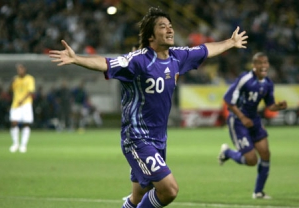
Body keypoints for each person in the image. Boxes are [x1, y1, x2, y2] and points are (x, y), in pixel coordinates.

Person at [49, 7, 248, 208]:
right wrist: (77, 59)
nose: (170, 30)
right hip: (137, 137)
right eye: (163, 27)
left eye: (171, 26)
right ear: (151, 36)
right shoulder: (138, 60)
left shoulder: (177, 57)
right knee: (169, 190)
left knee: (138, 197)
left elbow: (206, 50)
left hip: (159, 139)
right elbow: (106, 63)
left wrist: (231, 42)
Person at [218, 52, 287, 199]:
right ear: (254, 65)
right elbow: (228, 99)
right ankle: (227, 153)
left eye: (265, 63)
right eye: (260, 63)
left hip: (254, 120)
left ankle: (258, 192)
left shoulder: (268, 83)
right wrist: (242, 117)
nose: (263, 66)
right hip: (238, 121)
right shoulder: (245, 79)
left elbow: (270, 106)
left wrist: (278, 106)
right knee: (251, 160)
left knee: (265, 154)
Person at [9, 64, 35, 153]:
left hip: (26, 104)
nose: (19, 71)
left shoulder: (30, 79)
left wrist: (22, 100)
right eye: (18, 69)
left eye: (20, 69)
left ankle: (23, 145)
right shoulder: (15, 79)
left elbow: (30, 91)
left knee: (26, 124)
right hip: (16, 104)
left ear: (25, 69)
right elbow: (10, 91)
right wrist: (11, 82)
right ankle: (15, 144)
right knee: (14, 122)